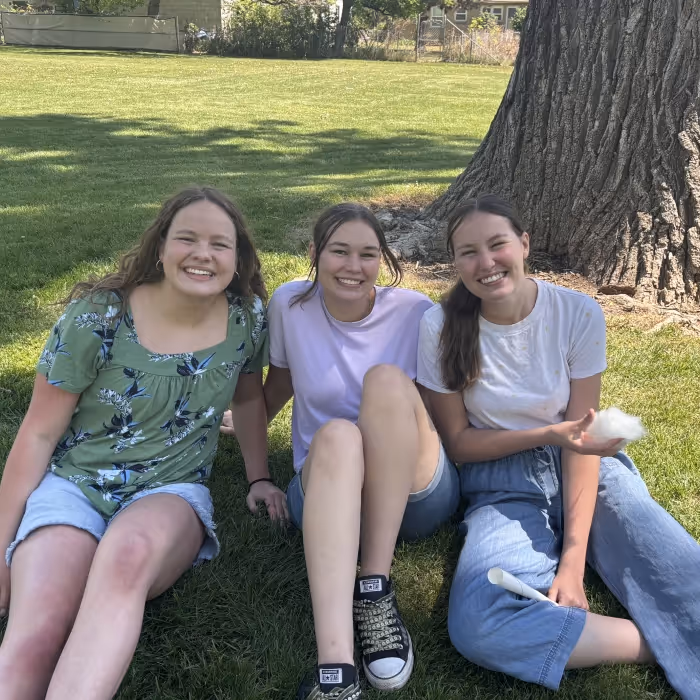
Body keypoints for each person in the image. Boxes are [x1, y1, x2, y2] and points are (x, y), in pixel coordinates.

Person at [0, 186, 284, 700]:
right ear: (160, 247)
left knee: (125, 557)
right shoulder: (99, 318)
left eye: (220, 244)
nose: (203, 253)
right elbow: (39, 432)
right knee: (35, 631)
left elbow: (246, 402)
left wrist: (259, 477)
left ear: (238, 258)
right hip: (76, 486)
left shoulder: (247, 319)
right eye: (188, 238)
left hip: (170, 492)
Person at [416, 194, 700, 698]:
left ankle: (677, 625)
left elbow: (582, 438)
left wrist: (572, 563)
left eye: (498, 244)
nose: (486, 263)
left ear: (524, 243)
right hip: (499, 485)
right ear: (455, 262)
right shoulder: (439, 327)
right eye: (468, 252)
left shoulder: (576, 312)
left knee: (686, 577)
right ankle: (658, 639)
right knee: (480, 623)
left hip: (591, 467)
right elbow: (459, 446)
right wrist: (546, 434)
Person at [223, 203, 460, 698]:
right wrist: (255, 453)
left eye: (368, 254)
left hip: (415, 494)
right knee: (337, 434)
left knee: (387, 382)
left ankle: (373, 586)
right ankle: (337, 671)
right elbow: (280, 382)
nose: (354, 266)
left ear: (383, 261)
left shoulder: (416, 312)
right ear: (314, 254)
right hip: (329, 495)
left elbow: (440, 407)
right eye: (339, 251)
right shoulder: (290, 304)